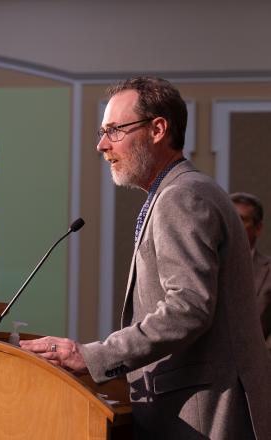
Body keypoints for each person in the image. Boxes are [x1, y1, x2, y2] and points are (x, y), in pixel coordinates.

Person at [20, 77, 271, 439]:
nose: (101, 145)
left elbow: (187, 308)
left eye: (115, 130)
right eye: (102, 131)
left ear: (158, 129)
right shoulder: (179, 192)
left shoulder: (182, 196)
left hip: (202, 416)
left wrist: (93, 356)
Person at [230, 192, 271, 352]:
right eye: (231, 219)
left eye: (242, 219)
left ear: (258, 228)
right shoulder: (206, 267)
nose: (234, 225)